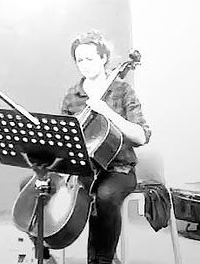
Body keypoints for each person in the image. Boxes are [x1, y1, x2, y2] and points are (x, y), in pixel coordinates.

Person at [28, 30, 151, 264]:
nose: (84, 64)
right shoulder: (73, 95)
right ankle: (43, 254)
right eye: (79, 60)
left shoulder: (122, 91)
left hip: (118, 170)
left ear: (104, 58)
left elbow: (141, 136)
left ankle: (102, 260)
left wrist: (106, 111)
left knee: (105, 196)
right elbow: (62, 140)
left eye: (90, 58)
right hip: (81, 169)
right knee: (34, 187)